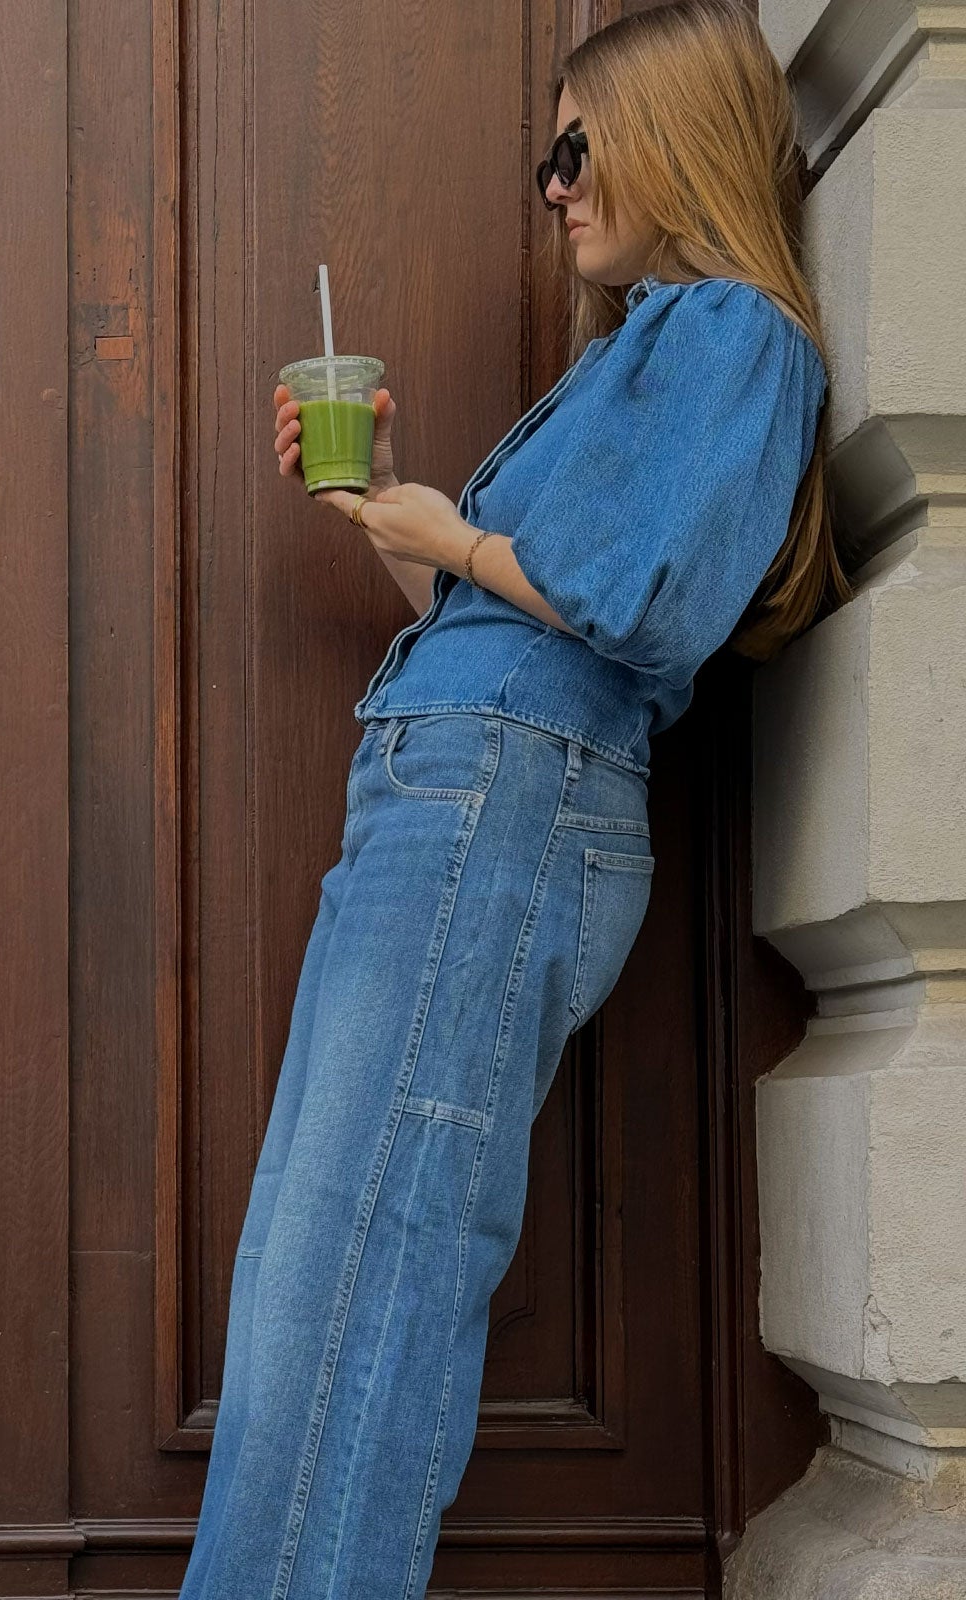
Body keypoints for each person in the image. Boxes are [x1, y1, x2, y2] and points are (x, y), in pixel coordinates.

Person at [176, 2, 852, 1597]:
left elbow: (644, 603)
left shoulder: (736, 335)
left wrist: (460, 538)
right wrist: (387, 512)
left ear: (673, 137)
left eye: (576, 147)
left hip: (503, 805)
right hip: (465, 789)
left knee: (368, 1256)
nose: (554, 186)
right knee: (318, 1250)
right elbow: (517, 621)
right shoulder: (641, 354)